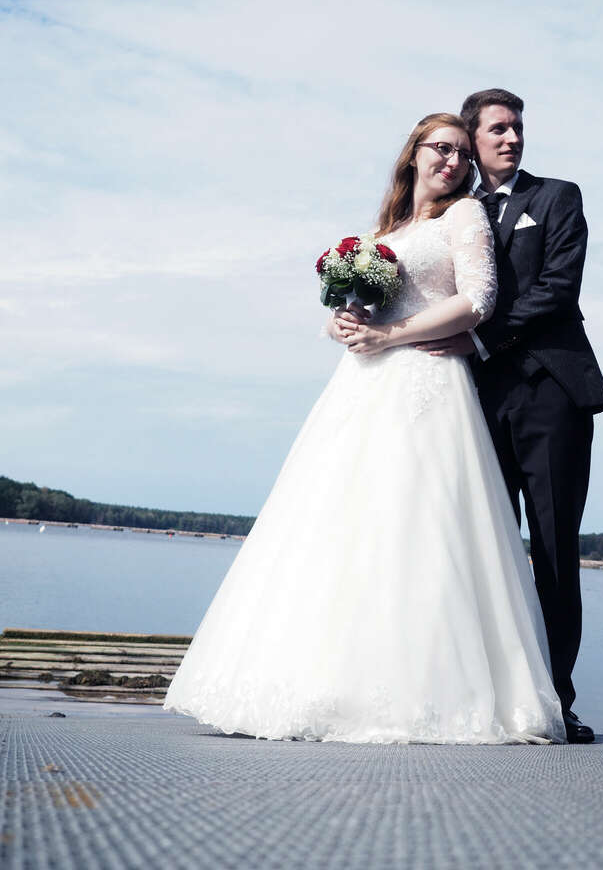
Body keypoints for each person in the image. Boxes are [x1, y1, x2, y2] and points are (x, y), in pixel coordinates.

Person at [163, 112, 566, 745]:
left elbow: (477, 299)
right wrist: (346, 325)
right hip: (364, 385)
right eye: (442, 149)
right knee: (341, 522)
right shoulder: (387, 231)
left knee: (419, 523)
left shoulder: (464, 217)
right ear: (412, 157)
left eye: (463, 153)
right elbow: (348, 309)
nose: (453, 162)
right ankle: (323, 677)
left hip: (427, 382)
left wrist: (393, 336)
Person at [416, 90, 603, 743]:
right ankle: (488, 699)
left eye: (518, 127)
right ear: (473, 139)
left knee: (552, 551)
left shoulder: (558, 197)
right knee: (482, 548)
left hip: (551, 392)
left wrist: (479, 339)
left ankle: (558, 702)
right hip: (472, 401)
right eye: (498, 129)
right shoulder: (450, 214)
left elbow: (559, 290)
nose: (512, 138)